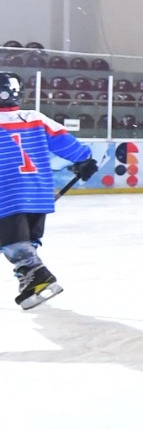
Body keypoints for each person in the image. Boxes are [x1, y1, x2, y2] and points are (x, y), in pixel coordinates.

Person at [0, 72, 97, 309]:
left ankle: (35, 275)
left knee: (12, 240)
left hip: (7, 192)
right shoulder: (35, 117)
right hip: (38, 192)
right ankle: (29, 280)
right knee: (26, 239)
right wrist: (83, 160)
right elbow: (69, 145)